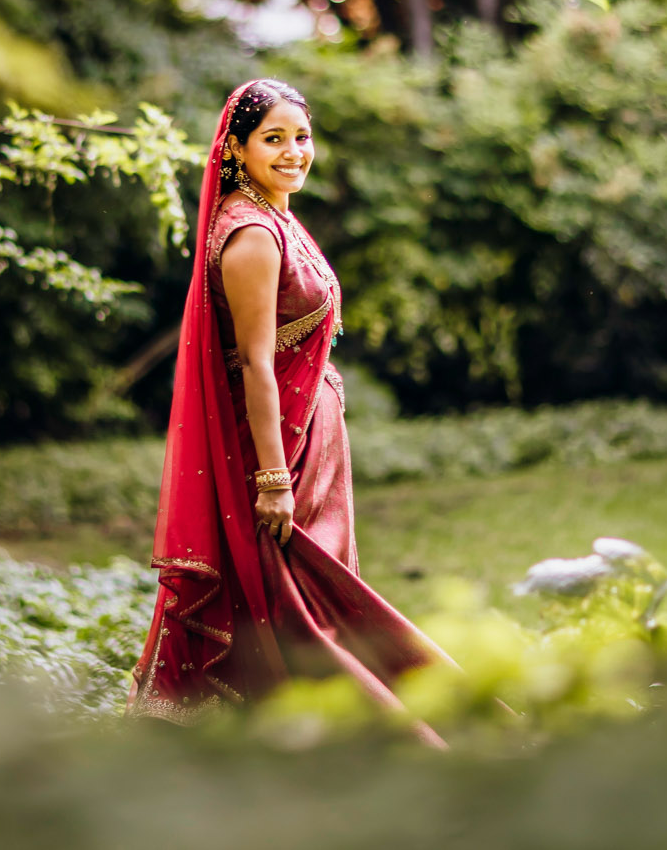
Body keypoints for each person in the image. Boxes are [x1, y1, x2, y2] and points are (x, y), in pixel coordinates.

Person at [125, 78, 450, 740]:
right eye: (273, 139)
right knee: (296, 605)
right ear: (237, 149)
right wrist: (273, 482)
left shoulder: (273, 213)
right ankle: (367, 732)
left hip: (309, 442)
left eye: (301, 136)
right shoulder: (250, 237)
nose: (294, 151)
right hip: (279, 458)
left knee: (315, 596)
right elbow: (255, 365)